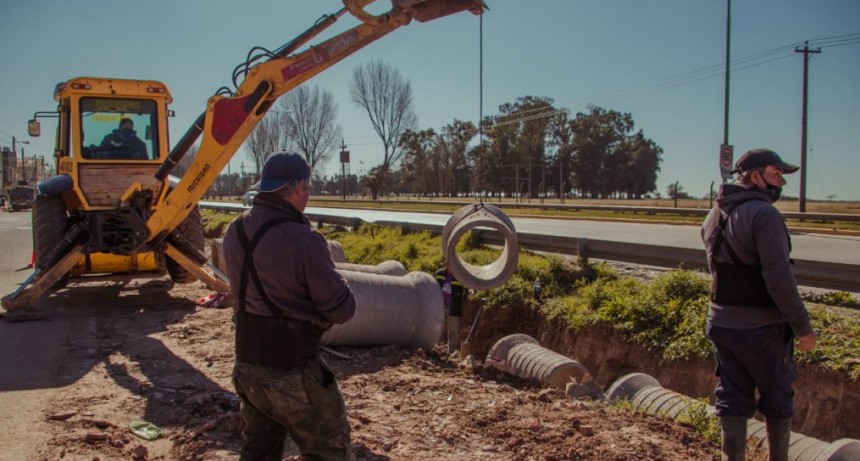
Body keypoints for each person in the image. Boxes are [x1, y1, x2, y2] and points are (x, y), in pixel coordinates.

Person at [222, 151, 357, 461]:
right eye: (307, 187)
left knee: (258, 450)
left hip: (247, 365)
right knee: (329, 452)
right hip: (292, 368)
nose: (308, 194)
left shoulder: (235, 230)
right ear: (298, 187)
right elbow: (342, 309)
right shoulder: (303, 239)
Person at [701, 148, 817, 461]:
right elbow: (779, 278)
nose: (782, 181)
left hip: (721, 324)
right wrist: (802, 327)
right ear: (755, 176)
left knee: (733, 398)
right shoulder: (765, 215)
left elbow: (716, 268)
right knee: (778, 399)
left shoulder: (714, 215)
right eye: (776, 174)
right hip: (762, 329)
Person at [434, 263, 465, 354]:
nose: (450, 266)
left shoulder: (460, 277)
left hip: (454, 307)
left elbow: (467, 290)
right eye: (448, 264)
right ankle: (436, 350)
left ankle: (451, 352)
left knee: (453, 331)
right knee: (438, 329)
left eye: (452, 264)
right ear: (445, 264)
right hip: (440, 306)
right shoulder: (439, 274)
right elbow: (432, 286)